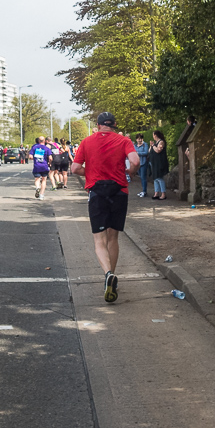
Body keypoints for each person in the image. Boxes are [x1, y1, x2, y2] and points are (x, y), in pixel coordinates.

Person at [70, 112, 139, 303]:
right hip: (119, 191)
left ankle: (108, 274)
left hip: (97, 192)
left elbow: (74, 169)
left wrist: (90, 172)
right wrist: (130, 173)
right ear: (114, 125)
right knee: (113, 237)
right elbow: (135, 161)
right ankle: (112, 276)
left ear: (99, 125)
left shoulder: (86, 142)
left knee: (99, 239)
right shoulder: (124, 141)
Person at [148, 130, 169, 200]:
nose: (153, 136)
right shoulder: (155, 143)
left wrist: (153, 145)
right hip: (154, 163)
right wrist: (151, 146)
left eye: (153, 135)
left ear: (155, 135)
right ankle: (156, 193)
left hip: (160, 163)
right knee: (155, 178)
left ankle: (163, 193)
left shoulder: (161, 142)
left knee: (159, 177)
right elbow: (149, 151)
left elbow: (158, 150)